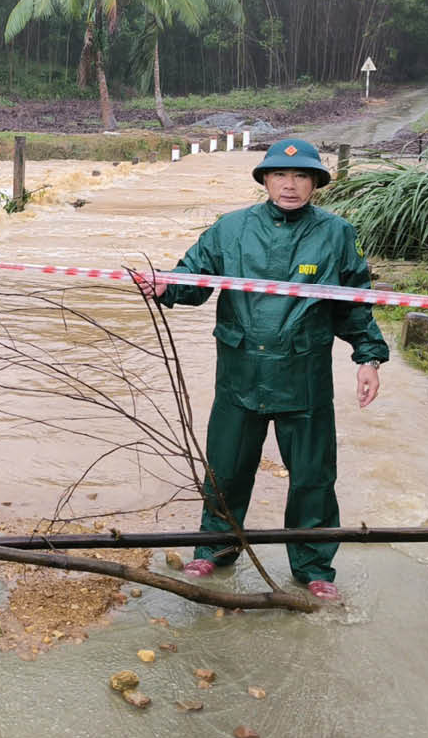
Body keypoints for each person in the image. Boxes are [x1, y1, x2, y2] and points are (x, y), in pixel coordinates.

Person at [143, 137, 387, 602]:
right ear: (265, 180)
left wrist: (368, 358)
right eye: (279, 175)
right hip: (240, 374)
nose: (289, 185)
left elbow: (355, 304)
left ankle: (314, 567)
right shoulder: (230, 228)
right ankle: (215, 549)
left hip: (306, 377)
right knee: (227, 470)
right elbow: (192, 280)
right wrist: (163, 286)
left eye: (300, 177)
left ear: (315, 182)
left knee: (314, 477)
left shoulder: (336, 234)